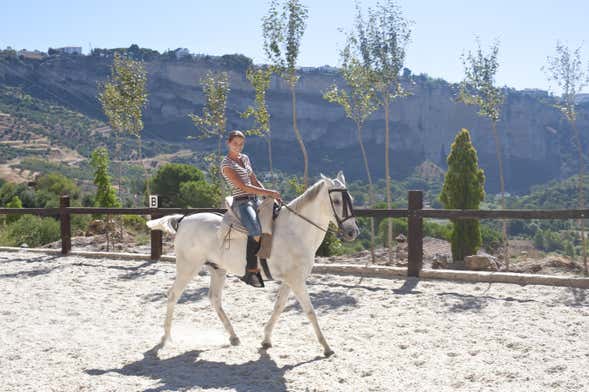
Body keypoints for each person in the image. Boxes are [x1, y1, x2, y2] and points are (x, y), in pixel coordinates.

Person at [220, 130, 281, 287]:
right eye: (235, 144)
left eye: (241, 144)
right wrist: (269, 192)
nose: (238, 147)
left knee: (277, 217)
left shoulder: (245, 158)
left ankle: (272, 258)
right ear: (228, 143)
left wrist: (268, 197)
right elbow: (244, 187)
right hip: (243, 202)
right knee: (255, 230)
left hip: (256, 198)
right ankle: (250, 271)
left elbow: (253, 179)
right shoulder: (226, 164)